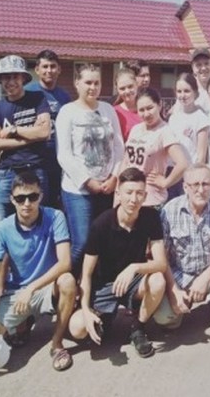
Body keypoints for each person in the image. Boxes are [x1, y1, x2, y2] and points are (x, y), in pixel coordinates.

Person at [0, 171, 77, 371]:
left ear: (41, 196)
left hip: (47, 287)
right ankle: (21, 323)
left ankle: (57, 343)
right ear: (11, 199)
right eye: (20, 198)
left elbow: (65, 262)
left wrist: (31, 289)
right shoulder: (1, 229)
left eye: (32, 197)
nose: (27, 203)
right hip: (17, 292)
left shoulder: (55, 217)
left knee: (67, 281)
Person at [68, 168, 167, 358]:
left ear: (145, 196)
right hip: (104, 286)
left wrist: (134, 267)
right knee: (77, 328)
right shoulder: (101, 224)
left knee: (157, 281)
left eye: (139, 193)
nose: (133, 199)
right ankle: (104, 319)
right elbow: (86, 274)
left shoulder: (151, 217)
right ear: (118, 193)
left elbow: (161, 263)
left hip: (133, 281)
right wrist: (85, 310)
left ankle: (138, 328)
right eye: (128, 192)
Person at [154, 164, 210, 349]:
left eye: (206, 184)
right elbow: (162, 257)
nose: (201, 190)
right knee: (164, 317)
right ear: (185, 187)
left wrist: (204, 279)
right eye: (195, 185)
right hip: (179, 276)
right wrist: (173, 291)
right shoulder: (169, 211)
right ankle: (181, 308)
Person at [55, 63, 125, 275]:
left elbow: (118, 146)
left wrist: (114, 177)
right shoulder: (67, 112)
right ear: (77, 83)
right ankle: (65, 282)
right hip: (78, 190)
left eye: (97, 83)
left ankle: (92, 285)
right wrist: (88, 181)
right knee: (83, 242)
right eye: (88, 82)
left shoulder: (108, 110)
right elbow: (64, 154)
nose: (93, 87)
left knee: (101, 241)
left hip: (106, 187)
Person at [0, 55, 51, 222]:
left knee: (38, 220)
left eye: (15, 76)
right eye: (6, 77)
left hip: (35, 168)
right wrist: (30, 137)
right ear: (0, 80)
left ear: (23, 78)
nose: (11, 82)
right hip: (7, 171)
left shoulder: (37, 98)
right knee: (3, 221)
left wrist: (13, 130)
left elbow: (44, 132)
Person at [120, 88, 188, 209]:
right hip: (130, 197)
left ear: (159, 105)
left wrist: (165, 182)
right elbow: (126, 161)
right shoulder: (136, 129)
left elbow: (182, 163)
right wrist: (119, 190)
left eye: (150, 108)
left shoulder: (165, 131)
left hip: (151, 200)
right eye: (141, 110)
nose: (146, 114)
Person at [25, 50, 72, 208]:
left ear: (59, 69)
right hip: (35, 157)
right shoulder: (28, 92)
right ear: (37, 70)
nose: (49, 70)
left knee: (55, 202)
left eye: (53, 66)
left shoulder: (64, 96)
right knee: (37, 201)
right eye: (45, 66)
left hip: (58, 158)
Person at [166, 72, 209, 200]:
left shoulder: (201, 118)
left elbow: (201, 156)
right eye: (179, 91)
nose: (182, 95)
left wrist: (194, 178)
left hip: (189, 174)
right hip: (172, 172)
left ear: (195, 92)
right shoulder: (173, 118)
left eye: (187, 91)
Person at [113, 68, 142, 141]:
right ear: (117, 89)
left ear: (136, 84)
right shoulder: (114, 113)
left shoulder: (147, 108)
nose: (127, 91)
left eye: (130, 86)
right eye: (122, 88)